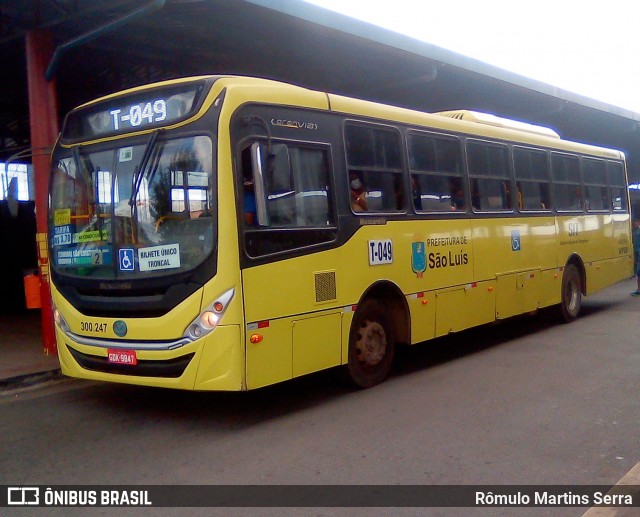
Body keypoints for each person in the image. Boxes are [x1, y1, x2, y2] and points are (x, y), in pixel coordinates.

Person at [632, 219, 640, 295]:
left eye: (637, 223)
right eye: (635, 224)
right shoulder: (632, 231)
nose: (635, 225)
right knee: (635, 263)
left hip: (639, 250)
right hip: (634, 250)